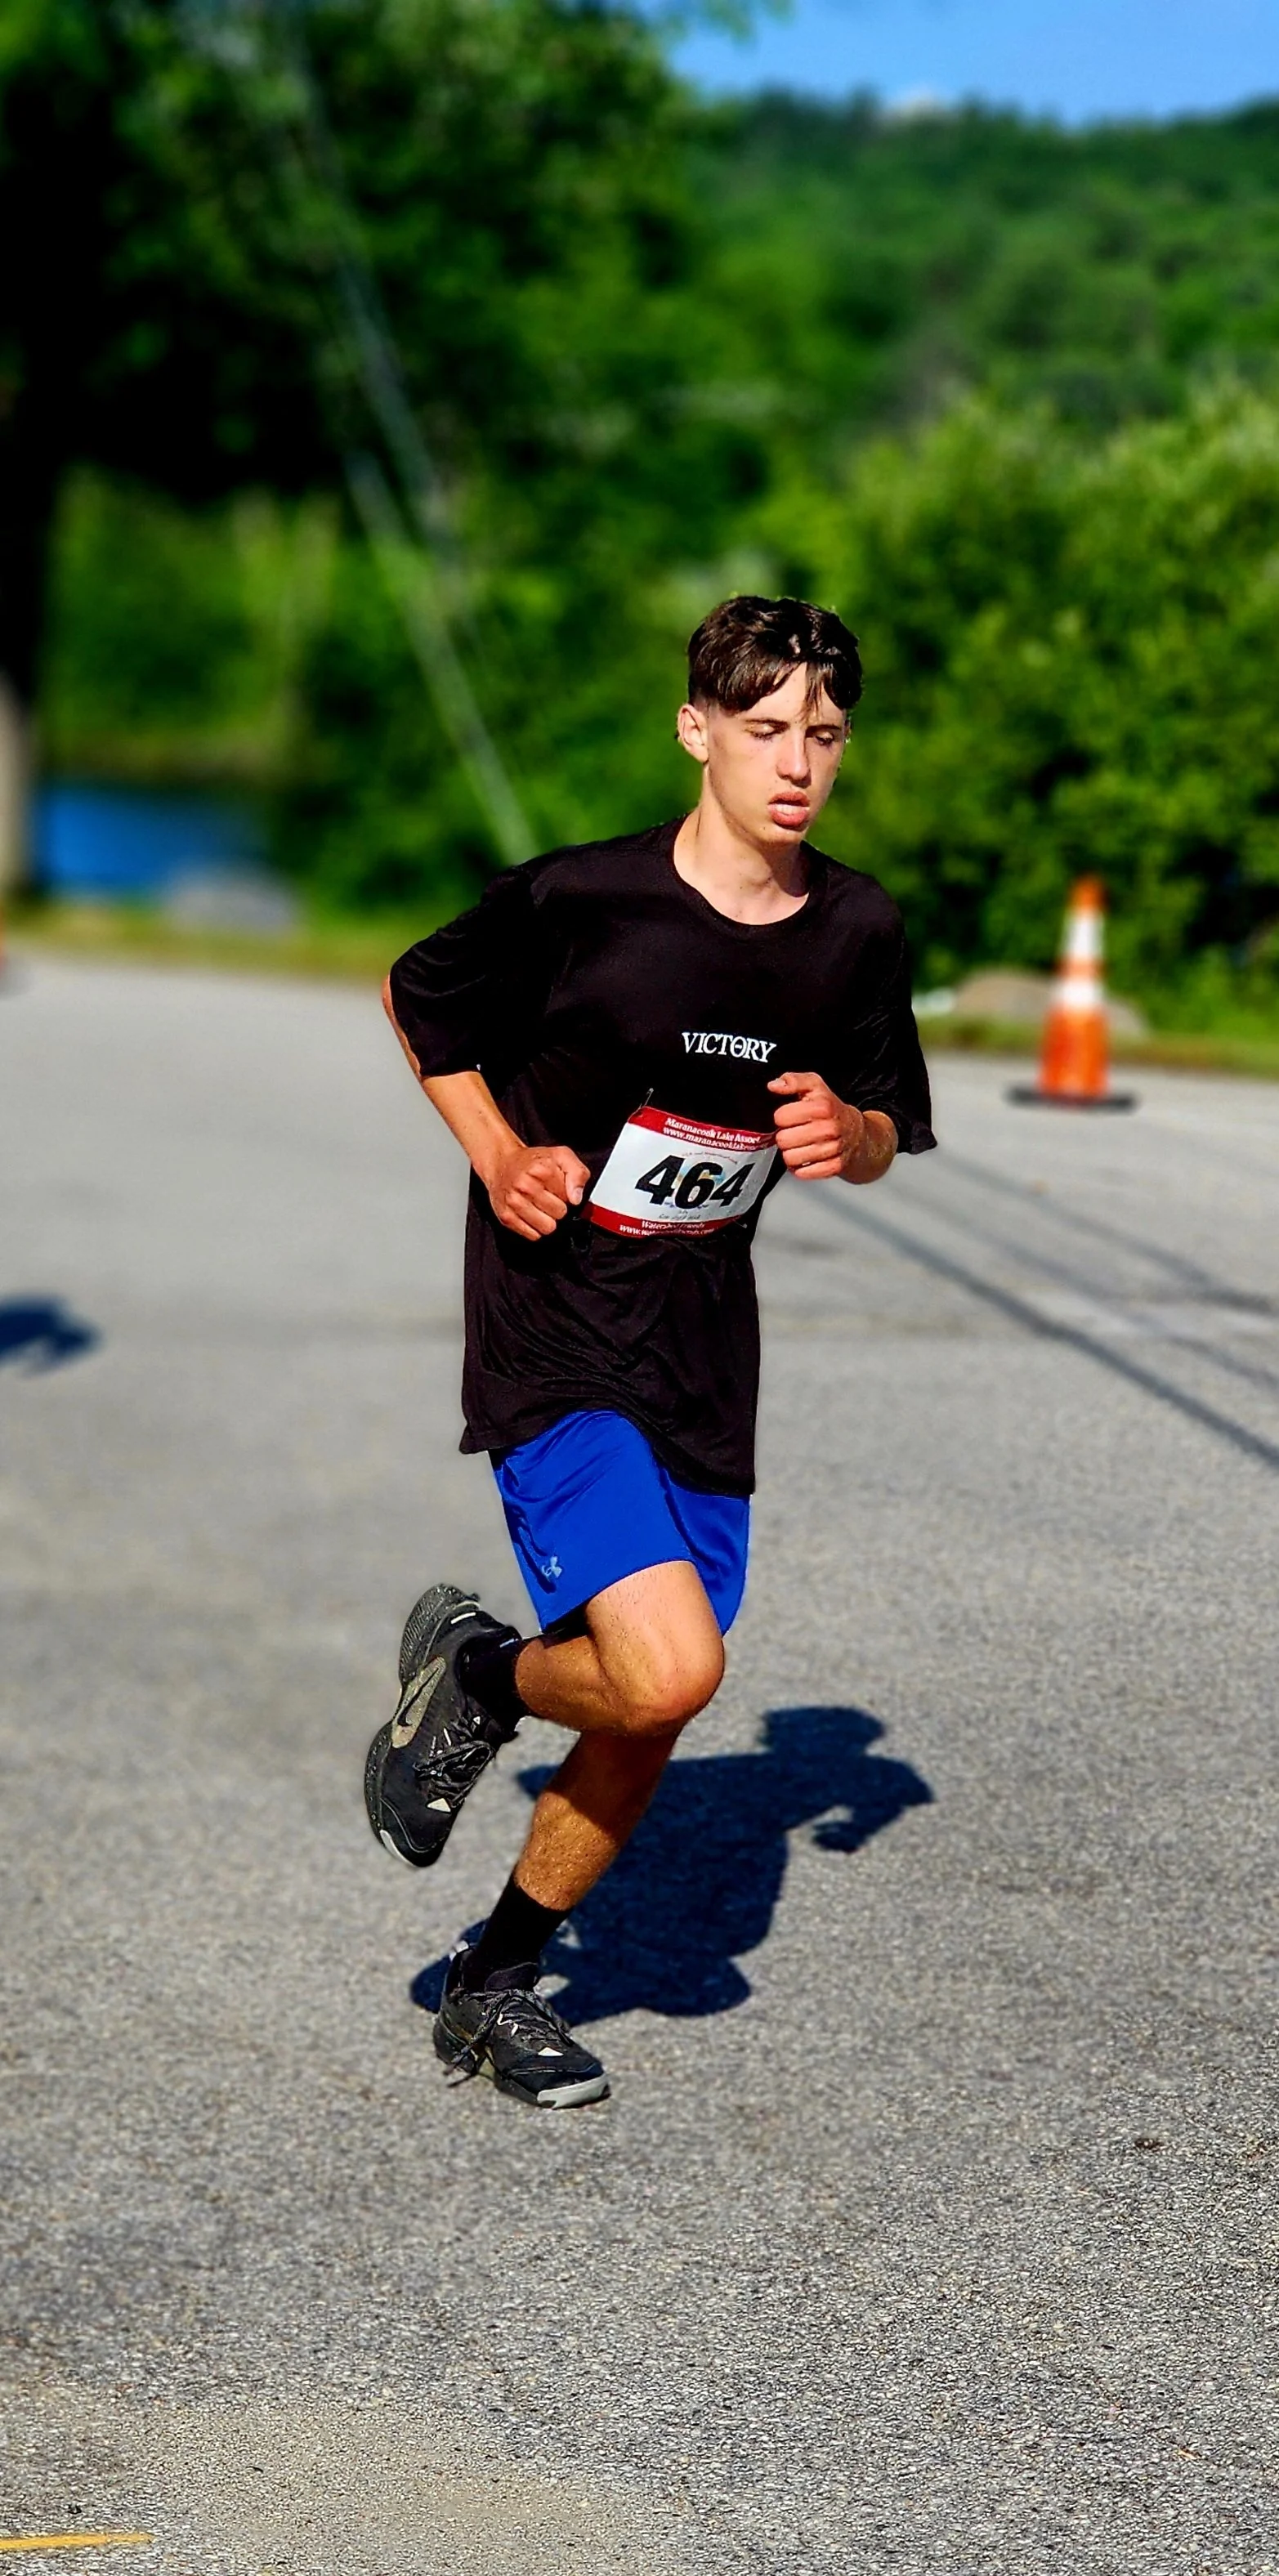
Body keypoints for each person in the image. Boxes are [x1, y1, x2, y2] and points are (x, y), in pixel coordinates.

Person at [367, 593, 935, 2109]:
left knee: (652, 1700)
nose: (797, 761)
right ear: (698, 731)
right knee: (672, 1662)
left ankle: (492, 1974)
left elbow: (886, 1124)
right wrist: (496, 1153)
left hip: (702, 1350)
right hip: (556, 1321)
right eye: (765, 730)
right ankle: (490, 1672)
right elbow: (420, 1002)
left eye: (823, 732)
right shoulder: (584, 904)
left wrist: (852, 1133)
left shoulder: (859, 930)